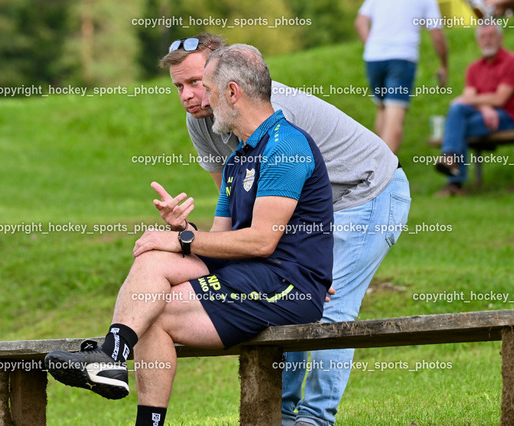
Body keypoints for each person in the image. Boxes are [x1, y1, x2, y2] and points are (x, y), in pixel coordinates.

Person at [44, 44, 335, 426]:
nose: (204, 102)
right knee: (153, 263)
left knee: (155, 310)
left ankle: (118, 368)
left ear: (232, 92)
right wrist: (183, 231)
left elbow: (262, 241)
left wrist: (183, 241)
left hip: (287, 286)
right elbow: (220, 242)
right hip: (251, 275)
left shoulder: (286, 146)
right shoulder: (237, 160)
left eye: (208, 90)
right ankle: (112, 357)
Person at [159, 34, 411, 426]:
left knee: (328, 306)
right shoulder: (202, 122)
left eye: (196, 82)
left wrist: (310, 268)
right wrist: (192, 234)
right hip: (300, 213)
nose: (189, 95)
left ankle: (315, 418)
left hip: (365, 192)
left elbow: (277, 212)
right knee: (282, 297)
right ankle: (283, 414)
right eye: (180, 86)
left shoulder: (274, 113)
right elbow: (238, 207)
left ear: (228, 78)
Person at [434, 24, 514, 196]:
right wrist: (485, 108)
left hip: (508, 117)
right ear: (477, 41)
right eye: (483, 37)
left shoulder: (512, 61)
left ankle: (454, 181)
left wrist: (484, 104)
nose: (487, 41)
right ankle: (451, 164)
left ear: (500, 38)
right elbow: (468, 98)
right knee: (457, 110)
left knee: (457, 126)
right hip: (485, 116)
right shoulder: (474, 68)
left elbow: (501, 99)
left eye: (491, 36)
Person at [355, 0, 448, 153]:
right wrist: (444, 66)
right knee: (394, 121)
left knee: (382, 109)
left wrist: (372, 46)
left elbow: (360, 22)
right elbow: (436, 35)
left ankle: (375, 162)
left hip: (373, 59)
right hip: (402, 58)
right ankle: (383, 167)